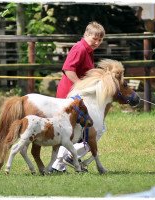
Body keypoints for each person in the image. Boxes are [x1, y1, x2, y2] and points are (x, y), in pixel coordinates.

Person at [51, 21, 105, 172]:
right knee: (96, 128)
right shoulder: (80, 48)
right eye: (94, 38)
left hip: (77, 94)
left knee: (75, 132)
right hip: (71, 95)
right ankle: (67, 158)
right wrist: (82, 85)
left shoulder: (88, 50)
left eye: (100, 40)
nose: (97, 42)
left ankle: (58, 165)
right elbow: (68, 70)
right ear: (86, 35)